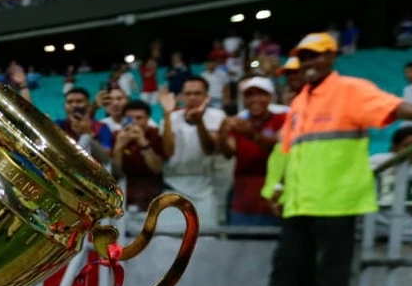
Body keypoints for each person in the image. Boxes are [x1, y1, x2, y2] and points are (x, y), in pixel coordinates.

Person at [225, 32, 412, 286]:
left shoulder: (350, 89)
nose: (309, 63)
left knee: (330, 273)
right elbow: (287, 151)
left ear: (332, 57)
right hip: (300, 201)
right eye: (304, 57)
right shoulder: (301, 101)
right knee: (288, 268)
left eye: (317, 56)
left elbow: (391, 105)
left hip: (337, 199)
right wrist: (276, 191)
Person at [217, 77, 287, 226]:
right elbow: (229, 153)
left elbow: (279, 146)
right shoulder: (239, 122)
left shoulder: (282, 119)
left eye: (261, 94)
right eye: (249, 95)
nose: (255, 99)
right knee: (239, 246)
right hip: (243, 199)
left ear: (270, 97)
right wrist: (222, 134)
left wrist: (251, 134)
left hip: (274, 198)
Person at [160, 77, 226, 229]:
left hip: (205, 189)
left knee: (207, 239)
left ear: (206, 97)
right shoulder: (170, 118)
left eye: (197, 93)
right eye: (188, 94)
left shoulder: (217, 116)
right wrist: (167, 114)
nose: (192, 98)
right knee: (166, 240)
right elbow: (168, 152)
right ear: (182, 96)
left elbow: (209, 149)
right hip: (173, 187)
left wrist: (199, 122)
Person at [111, 99, 165, 213]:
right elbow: (114, 174)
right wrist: (118, 148)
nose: (134, 122)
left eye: (139, 118)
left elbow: (157, 169)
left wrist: (143, 143)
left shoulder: (155, 135)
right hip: (123, 189)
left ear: (147, 119)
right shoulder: (115, 136)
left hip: (152, 189)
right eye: (129, 119)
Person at [56, 87, 111, 162]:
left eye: (79, 101)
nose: (74, 105)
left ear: (88, 105)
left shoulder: (101, 127)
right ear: (64, 106)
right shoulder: (57, 125)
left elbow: (106, 158)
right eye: (69, 102)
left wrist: (88, 134)